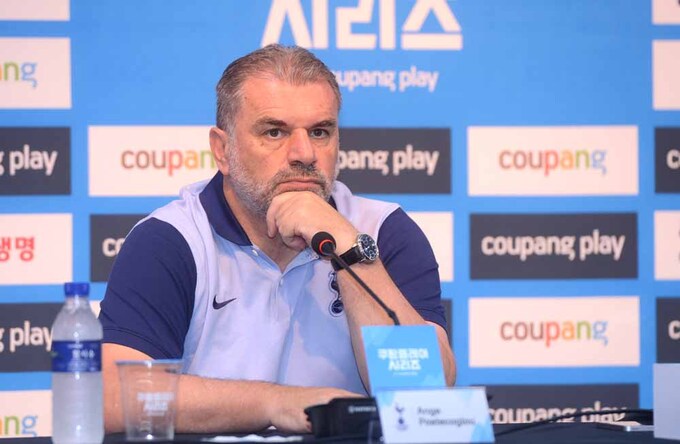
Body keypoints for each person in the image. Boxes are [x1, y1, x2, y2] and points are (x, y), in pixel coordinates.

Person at [100, 44, 456, 434]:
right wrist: (276, 403)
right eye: (275, 132)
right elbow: (114, 397)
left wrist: (347, 246)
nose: (304, 154)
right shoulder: (171, 241)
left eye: (320, 132)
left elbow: (424, 397)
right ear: (223, 150)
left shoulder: (383, 231)